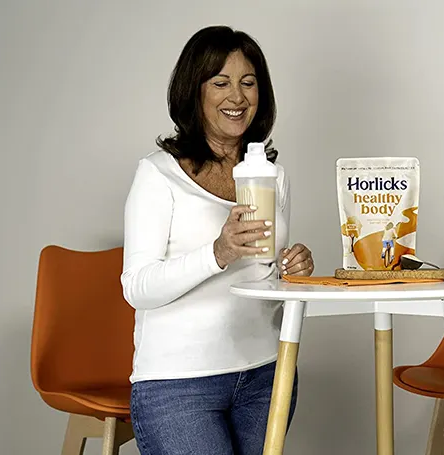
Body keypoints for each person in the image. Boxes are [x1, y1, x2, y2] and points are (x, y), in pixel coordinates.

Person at [121, 25, 314, 455]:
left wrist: (292, 272)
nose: (237, 97)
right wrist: (217, 252)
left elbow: (265, 277)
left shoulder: (272, 176)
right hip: (178, 385)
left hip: (267, 372)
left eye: (248, 83)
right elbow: (137, 288)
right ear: (195, 91)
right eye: (220, 82)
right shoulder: (158, 174)